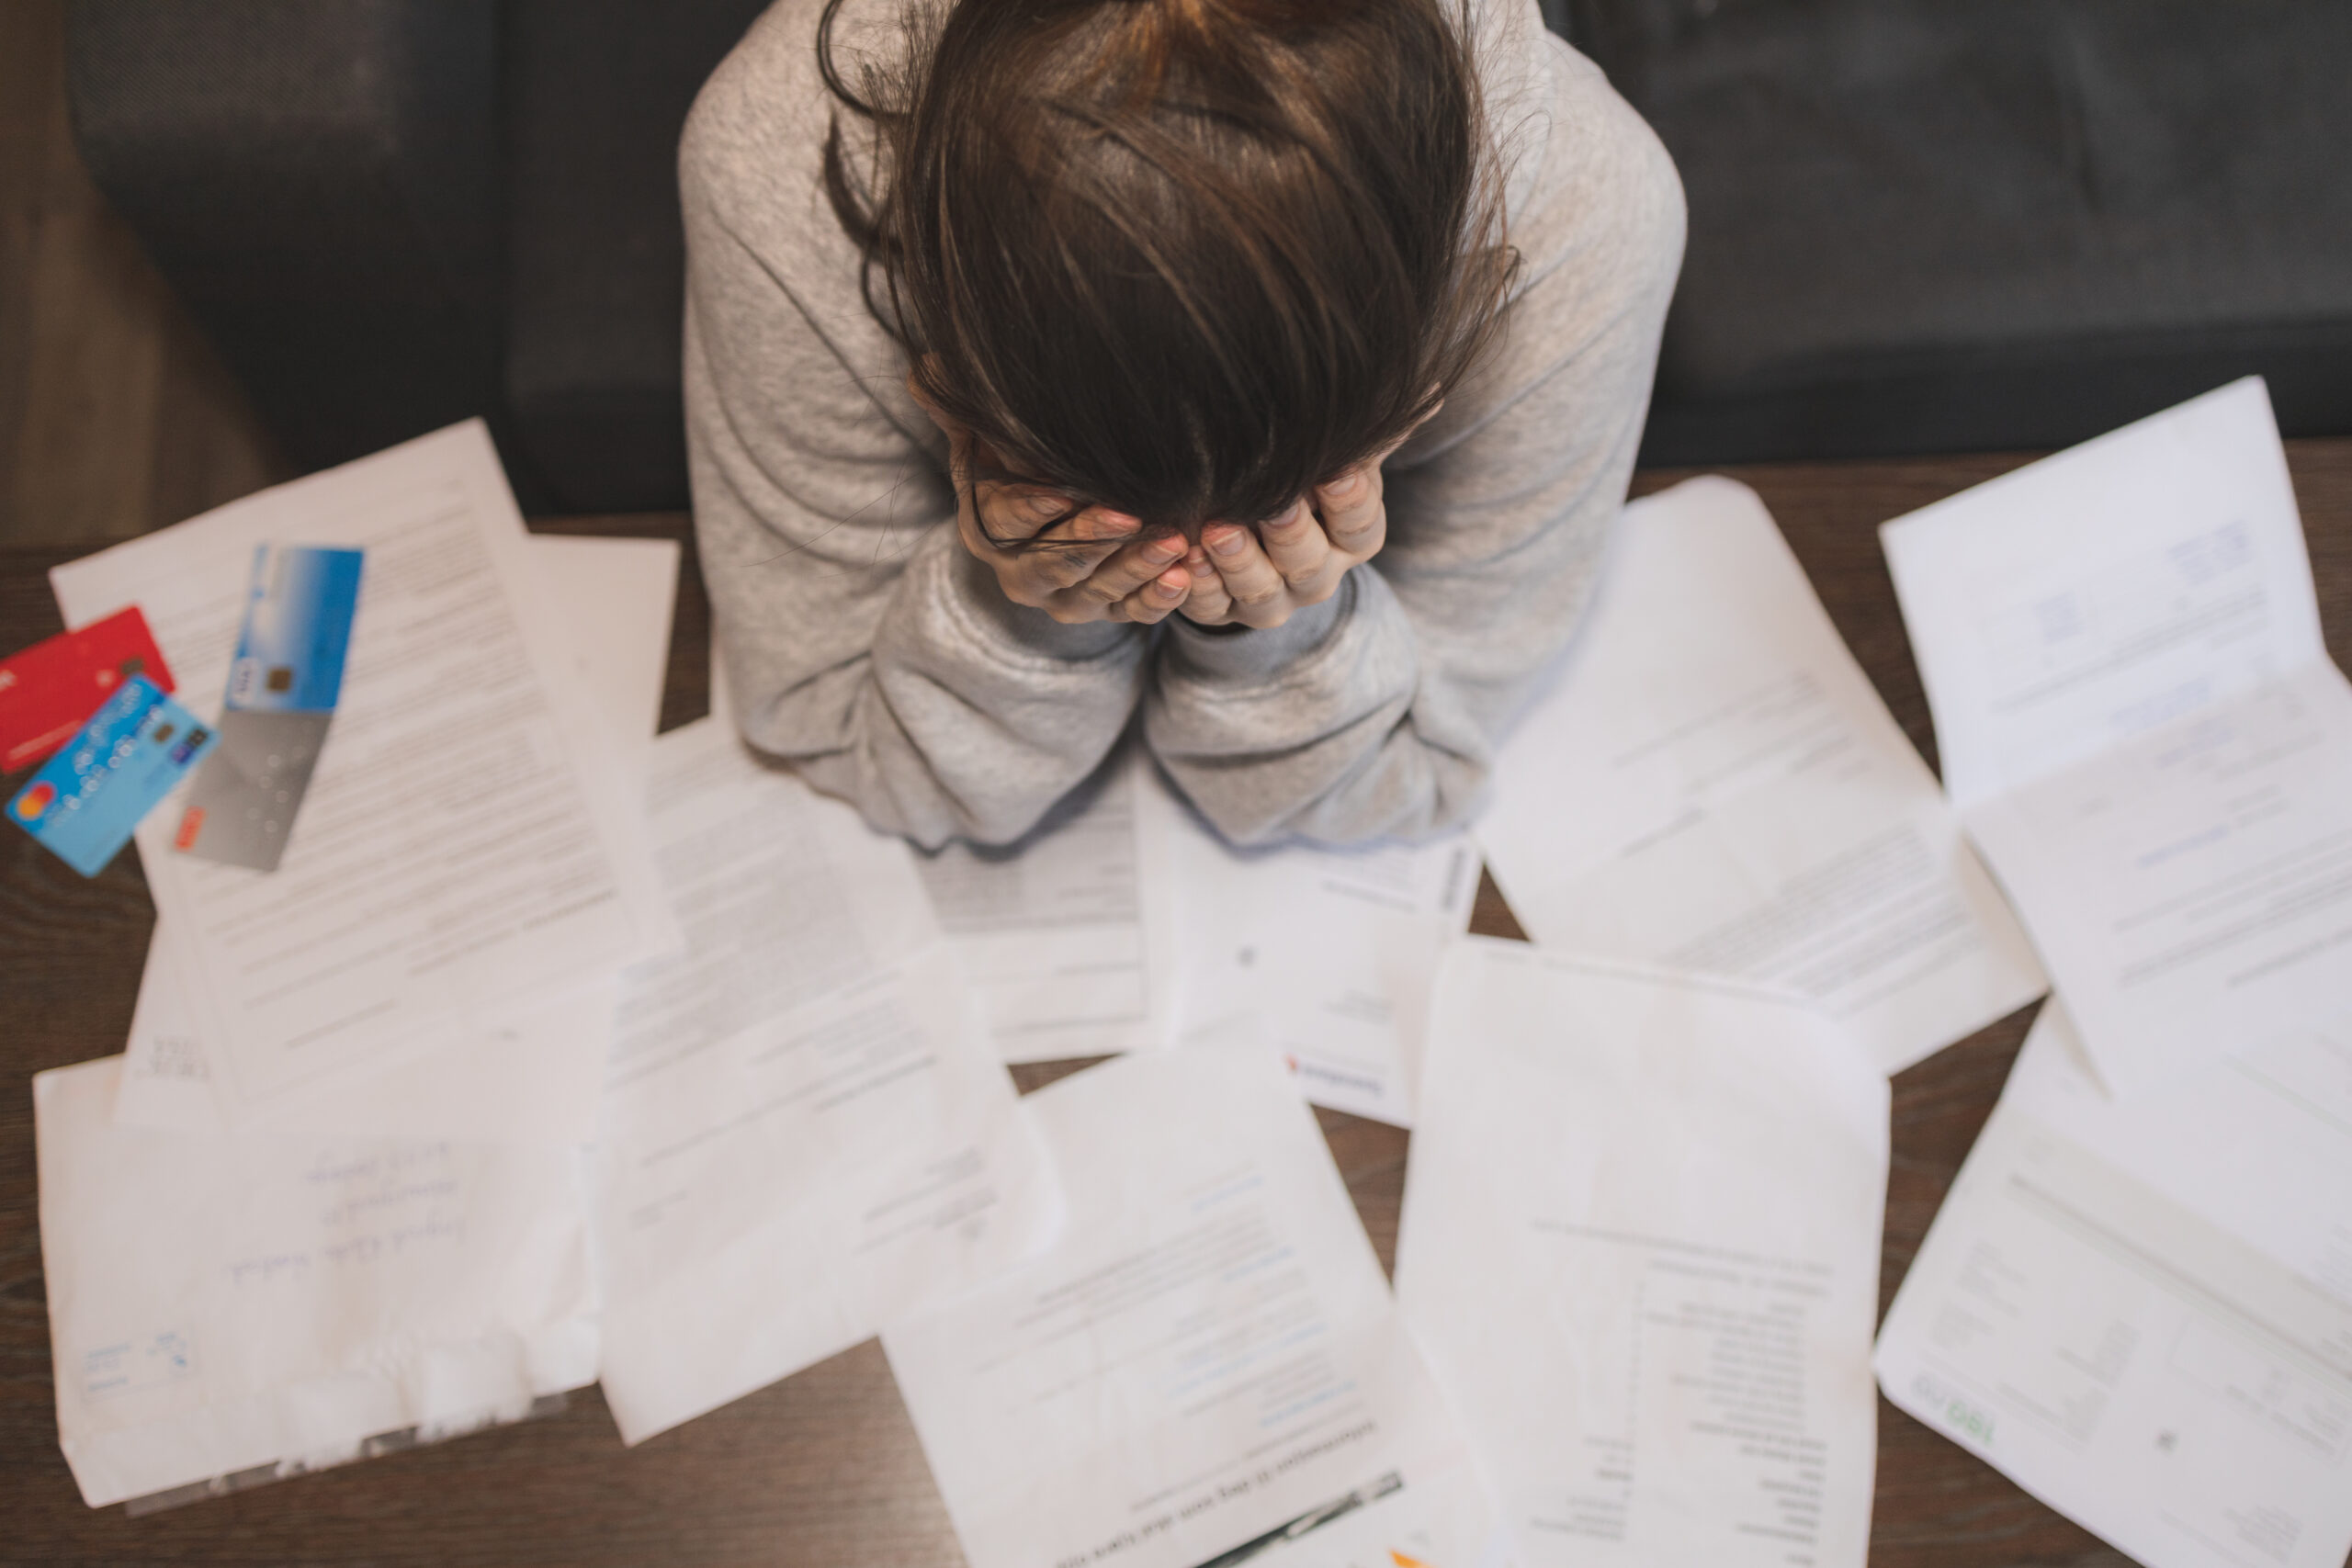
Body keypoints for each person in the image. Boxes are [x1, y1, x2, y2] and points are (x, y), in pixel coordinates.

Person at [684, 0, 1683, 849]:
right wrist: (1018, 609)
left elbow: (1415, 775)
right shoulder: (772, 164)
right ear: (938, 352)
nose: (1188, 564)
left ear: (1424, 376)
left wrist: (1278, 632)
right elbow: (833, 726)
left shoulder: (1586, 219)